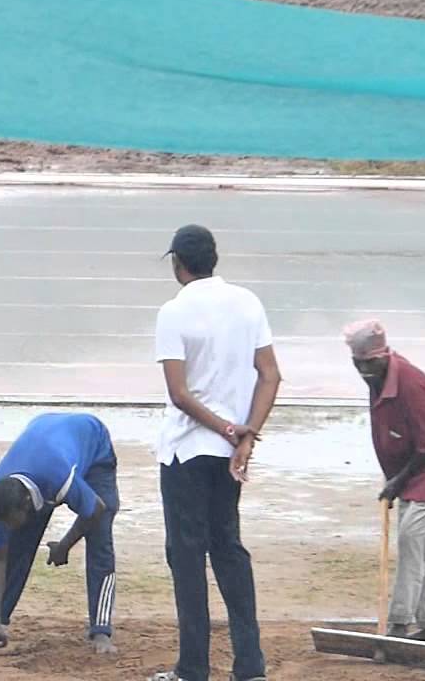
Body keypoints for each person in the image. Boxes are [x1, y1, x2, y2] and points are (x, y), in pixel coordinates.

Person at [150, 224, 280, 681]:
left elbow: (179, 394)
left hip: (188, 450)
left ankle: (193, 669)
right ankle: (250, 665)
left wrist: (228, 429)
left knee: (187, 557)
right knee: (228, 549)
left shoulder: (173, 311)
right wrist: (245, 436)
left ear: (178, 264)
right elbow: (270, 375)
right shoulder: (248, 302)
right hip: (229, 452)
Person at [0, 413, 120, 655]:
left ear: (26, 503)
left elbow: (95, 509)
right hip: (45, 436)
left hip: (93, 446)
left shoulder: (59, 478)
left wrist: (64, 545)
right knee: (15, 546)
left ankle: (101, 630)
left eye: (11, 521)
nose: (7, 527)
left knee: (99, 538)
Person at [343, 319, 425, 642]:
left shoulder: (410, 381)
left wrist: (397, 482)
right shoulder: (376, 379)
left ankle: (398, 622)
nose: (364, 370)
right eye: (358, 363)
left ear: (384, 355)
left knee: (412, 537)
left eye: (369, 363)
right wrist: (394, 479)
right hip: (412, 469)